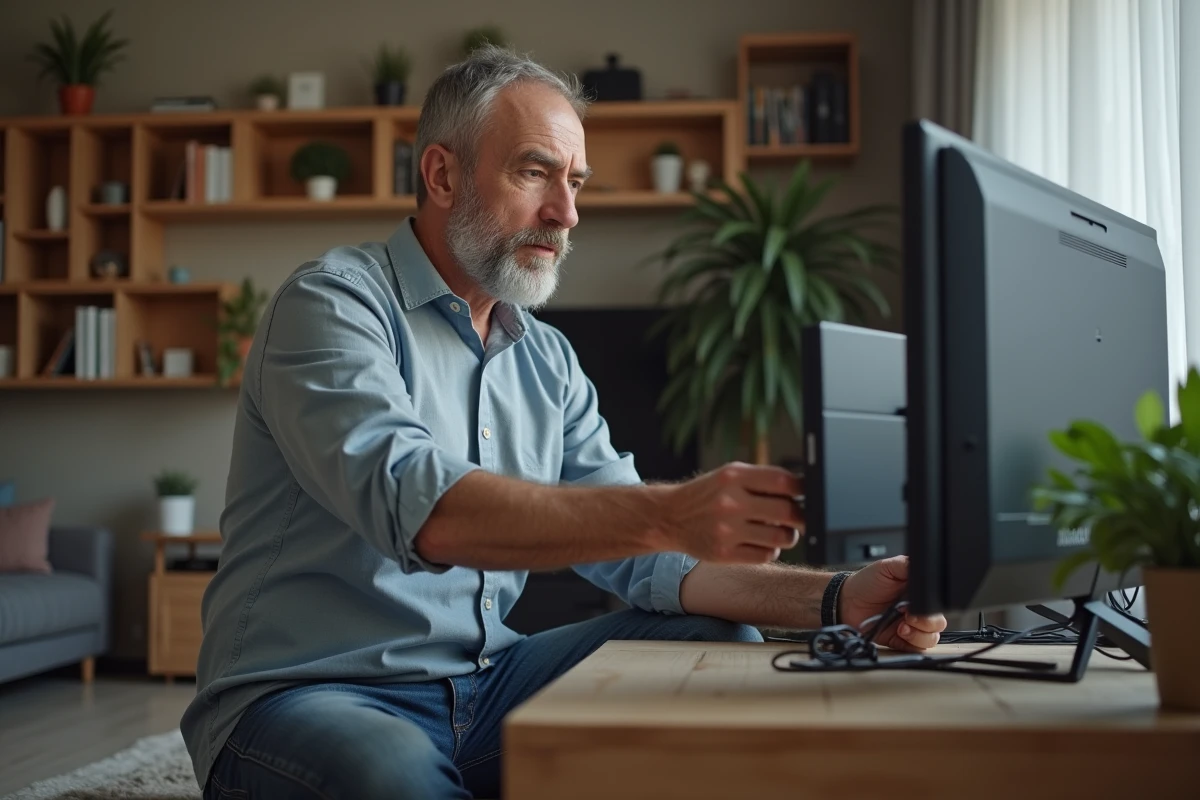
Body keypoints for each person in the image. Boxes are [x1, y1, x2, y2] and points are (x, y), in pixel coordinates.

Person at [181, 46, 946, 800]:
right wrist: (669, 511)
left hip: (486, 685)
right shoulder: (332, 305)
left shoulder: (546, 357)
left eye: (575, 182)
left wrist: (836, 599)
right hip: (309, 694)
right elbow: (425, 512)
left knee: (715, 643)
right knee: (392, 774)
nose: (566, 213)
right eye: (534, 172)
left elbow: (649, 562)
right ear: (442, 175)